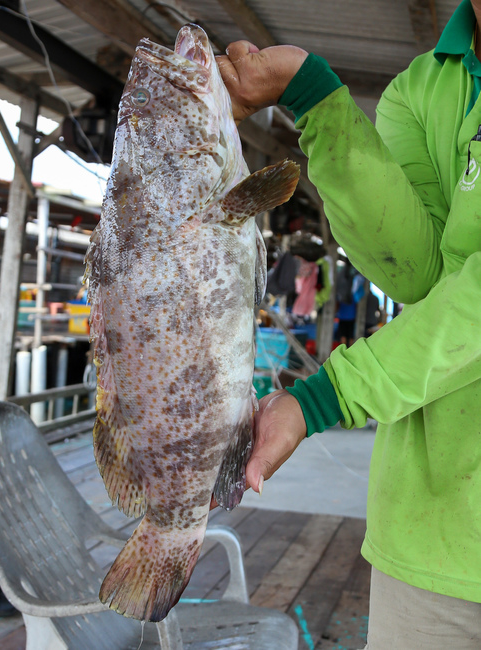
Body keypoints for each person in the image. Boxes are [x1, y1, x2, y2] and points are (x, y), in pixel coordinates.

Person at [216, 1, 481, 647]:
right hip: (432, 528)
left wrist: (323, 396)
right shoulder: (423, 86)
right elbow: (416, 272)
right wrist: (315, 97)